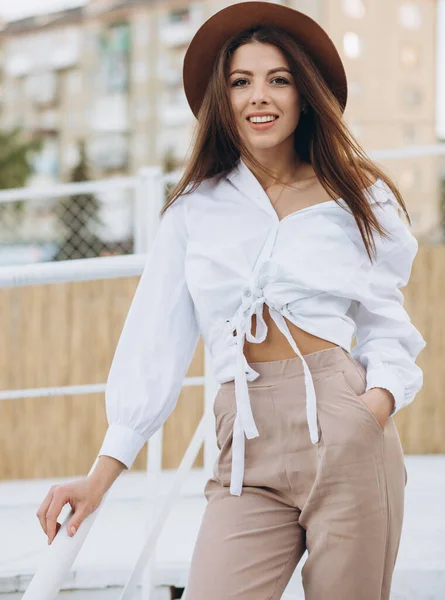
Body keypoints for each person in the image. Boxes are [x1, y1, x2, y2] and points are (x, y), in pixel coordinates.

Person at [36, 2, 427, 598]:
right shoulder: (195, 209)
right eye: (241, 82)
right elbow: (155, 342)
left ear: (304, 94)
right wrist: (99, 478)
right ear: (223, 97)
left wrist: (372, 405)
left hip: (347, 428)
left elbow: (385, 323)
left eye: (279, 79)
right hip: (243, 445)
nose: (258, 97)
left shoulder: (356, 197)